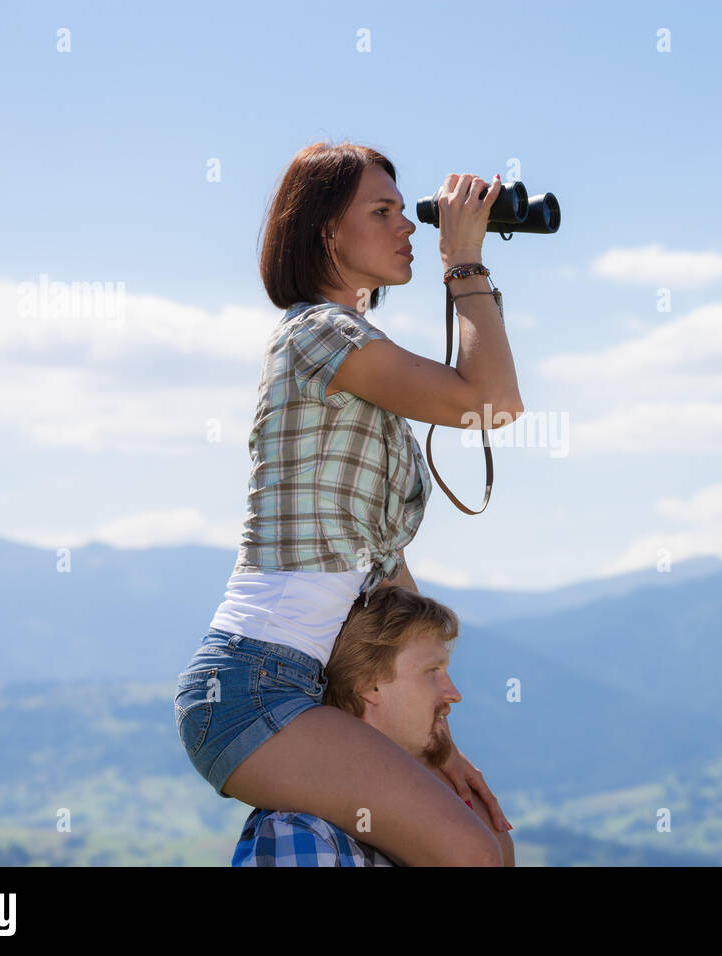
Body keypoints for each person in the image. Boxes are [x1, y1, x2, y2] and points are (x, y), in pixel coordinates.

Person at [174, 141, 523, 866]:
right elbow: (491, 404)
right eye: (384, 211)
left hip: (304, 684)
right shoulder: (317, 336)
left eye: (408, 212)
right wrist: (464, 261)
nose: (407, 228)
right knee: (470, 855)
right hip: (254, 685)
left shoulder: (362, 378)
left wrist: (439, 748)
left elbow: (393, 592)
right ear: (328, 231)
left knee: (487, 845)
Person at [232, 585, 515, 866]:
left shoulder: (453, 812)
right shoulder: (303, 831)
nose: (454, 693)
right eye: (432, 671)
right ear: (371, 685)